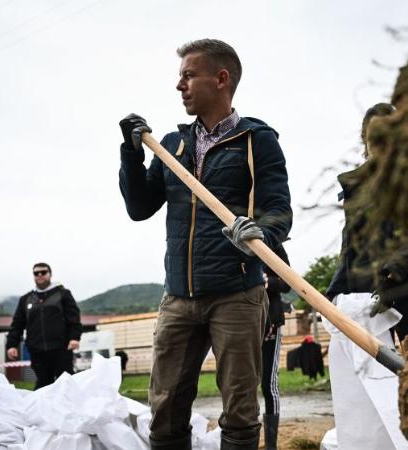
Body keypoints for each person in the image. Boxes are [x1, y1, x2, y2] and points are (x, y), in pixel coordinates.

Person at [118, 39, 292, 450]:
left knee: (240, 411)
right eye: (180, 76)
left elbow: (279, 212)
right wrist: (131, 156)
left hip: (237, 294)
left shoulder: (256, 141)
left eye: (188, 75)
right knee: (165, 409)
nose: (179, 85)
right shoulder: (172, 146)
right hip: (178, 296)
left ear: (221, 79)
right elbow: (140, 208)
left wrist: (260, 235)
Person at [325, 102, 408, 343]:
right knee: (376, 375)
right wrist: (335, 291)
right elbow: (350, 243)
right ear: (365, 142)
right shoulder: (355, 186)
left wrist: (392, 273)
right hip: (368, 298)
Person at [5, 263, 82, 390]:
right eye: (36, 273)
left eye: (43, 272)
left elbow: (74, 317)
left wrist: (75, 337)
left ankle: (73, 408)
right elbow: (18, 323)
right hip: (37, 350)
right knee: (43, 385)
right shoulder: (26, 299)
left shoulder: (63, 294)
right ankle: (42, 409)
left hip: (61, 348)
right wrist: (12, 345)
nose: (40, 275)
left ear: (50, 274)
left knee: (66, 383)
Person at [260, 243, 291, 450]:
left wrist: (266, 281)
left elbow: (287, 282)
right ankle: (247, 439)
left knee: (268, 384)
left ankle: (271, 445)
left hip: (270, 322)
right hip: (240, 323)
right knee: (241, 383)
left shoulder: (274, 246)